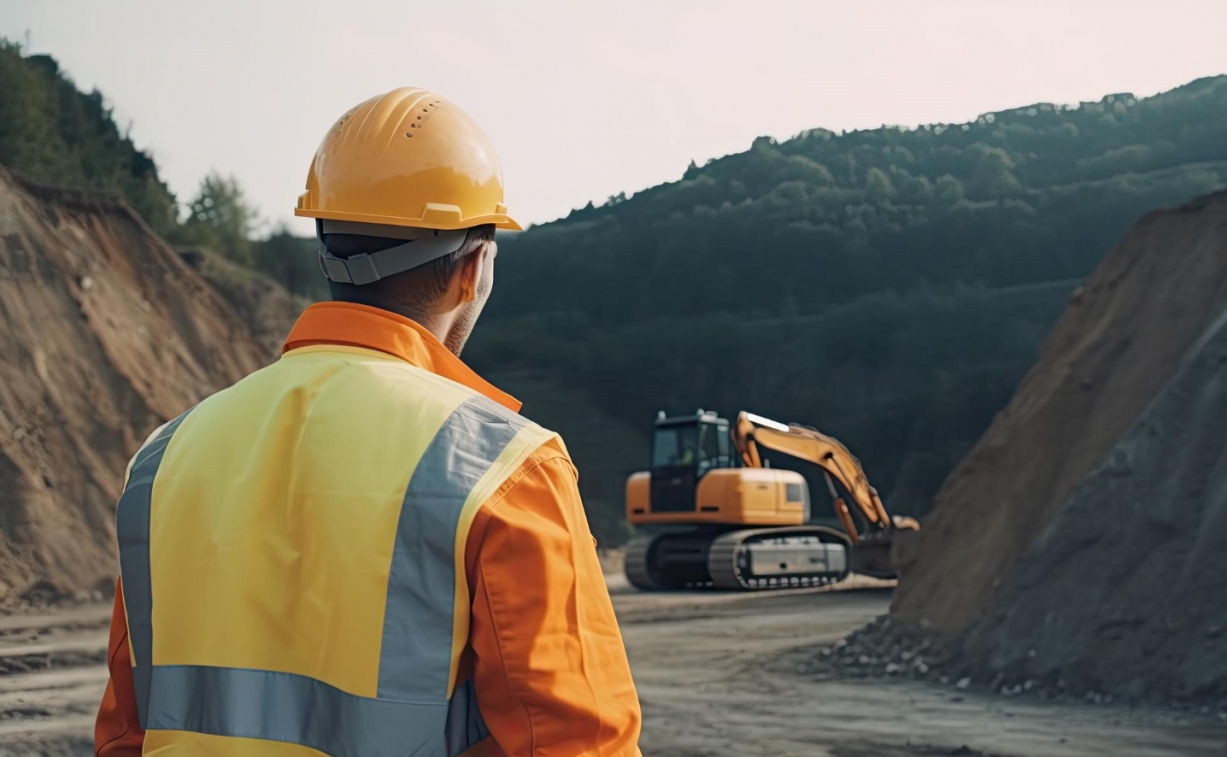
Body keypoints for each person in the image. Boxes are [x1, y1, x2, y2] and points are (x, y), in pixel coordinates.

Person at [95, 87, 642, 757]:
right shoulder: (506, 470)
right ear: (472, 270)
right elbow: (574, 743)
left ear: (326, 250)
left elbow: (125, 734)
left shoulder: (162, 460)